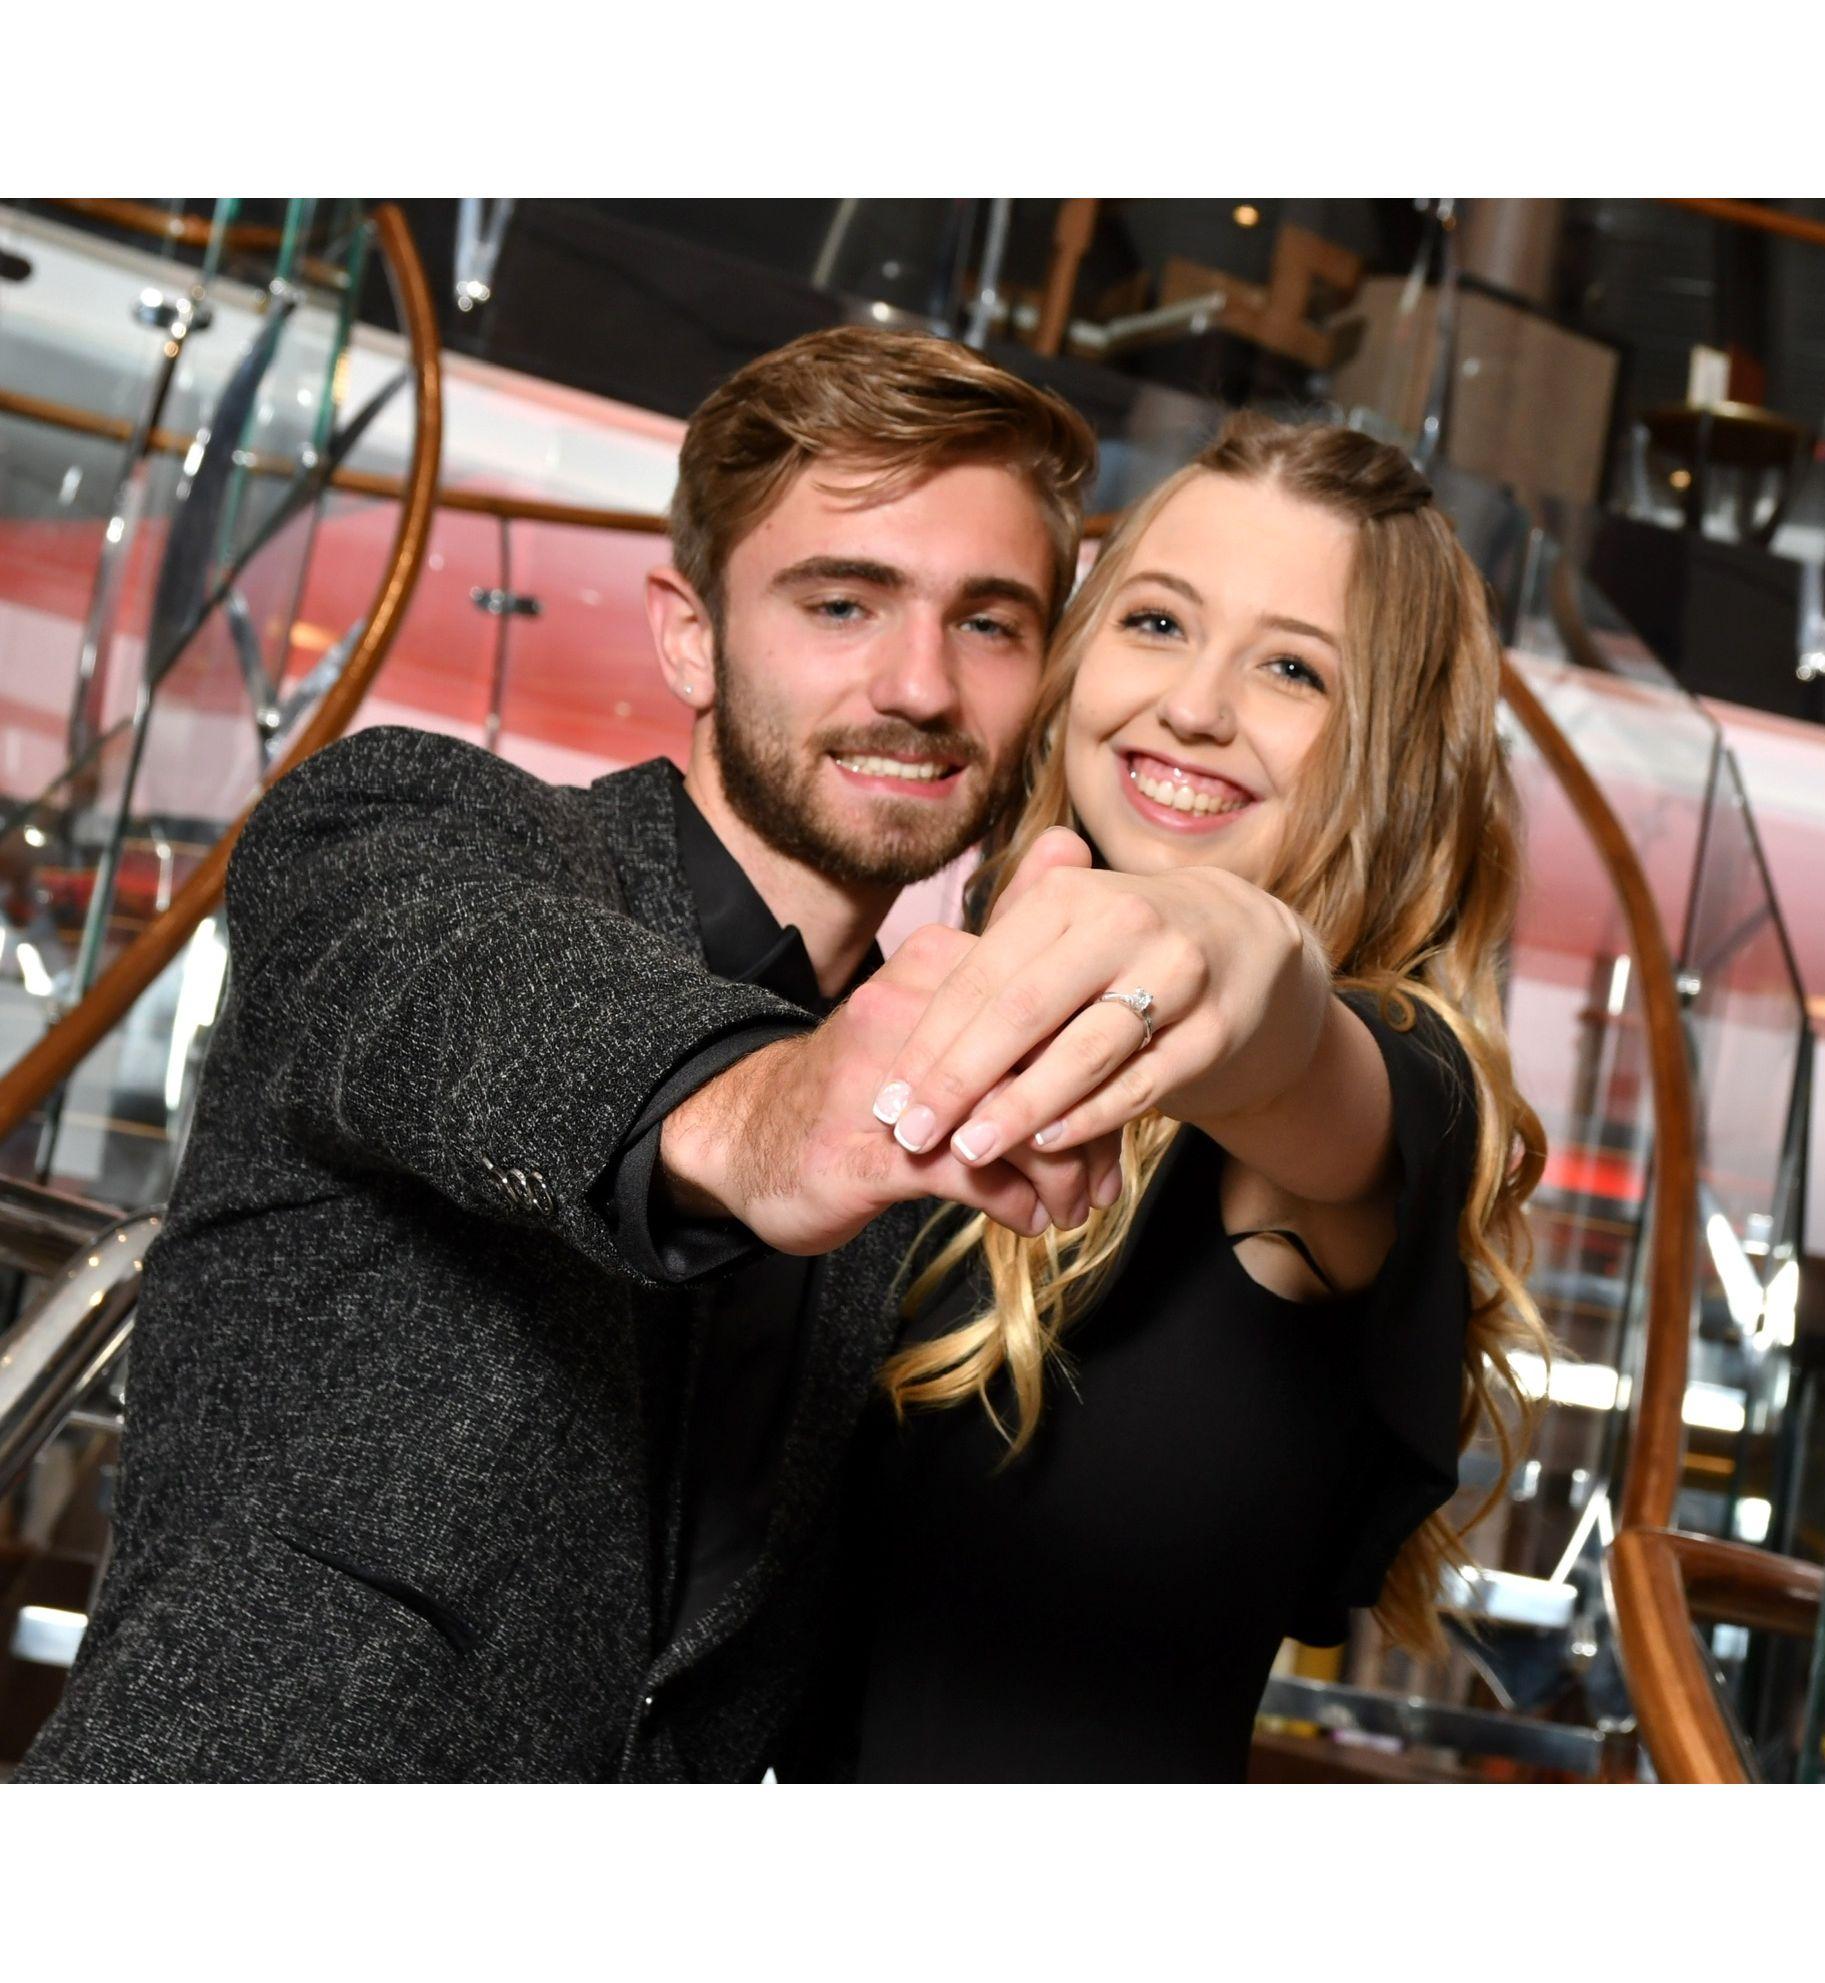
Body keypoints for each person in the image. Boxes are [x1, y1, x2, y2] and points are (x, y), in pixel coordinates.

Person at [15, 325, 1109, 1783]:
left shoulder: (926, 1136)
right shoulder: (419, 831)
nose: (920, 685)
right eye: (842, 603)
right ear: (689, 634)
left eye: (990, 624)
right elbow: (471, 991)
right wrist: (762, 1110)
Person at [809, 414, 1554, 1782]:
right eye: (1157, 623)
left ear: (1391, 755)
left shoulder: (1395, 1080)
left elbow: (1283, 1030)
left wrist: (1225, 943)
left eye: (1293, 668)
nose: (1197, 706)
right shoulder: (952, 1008)